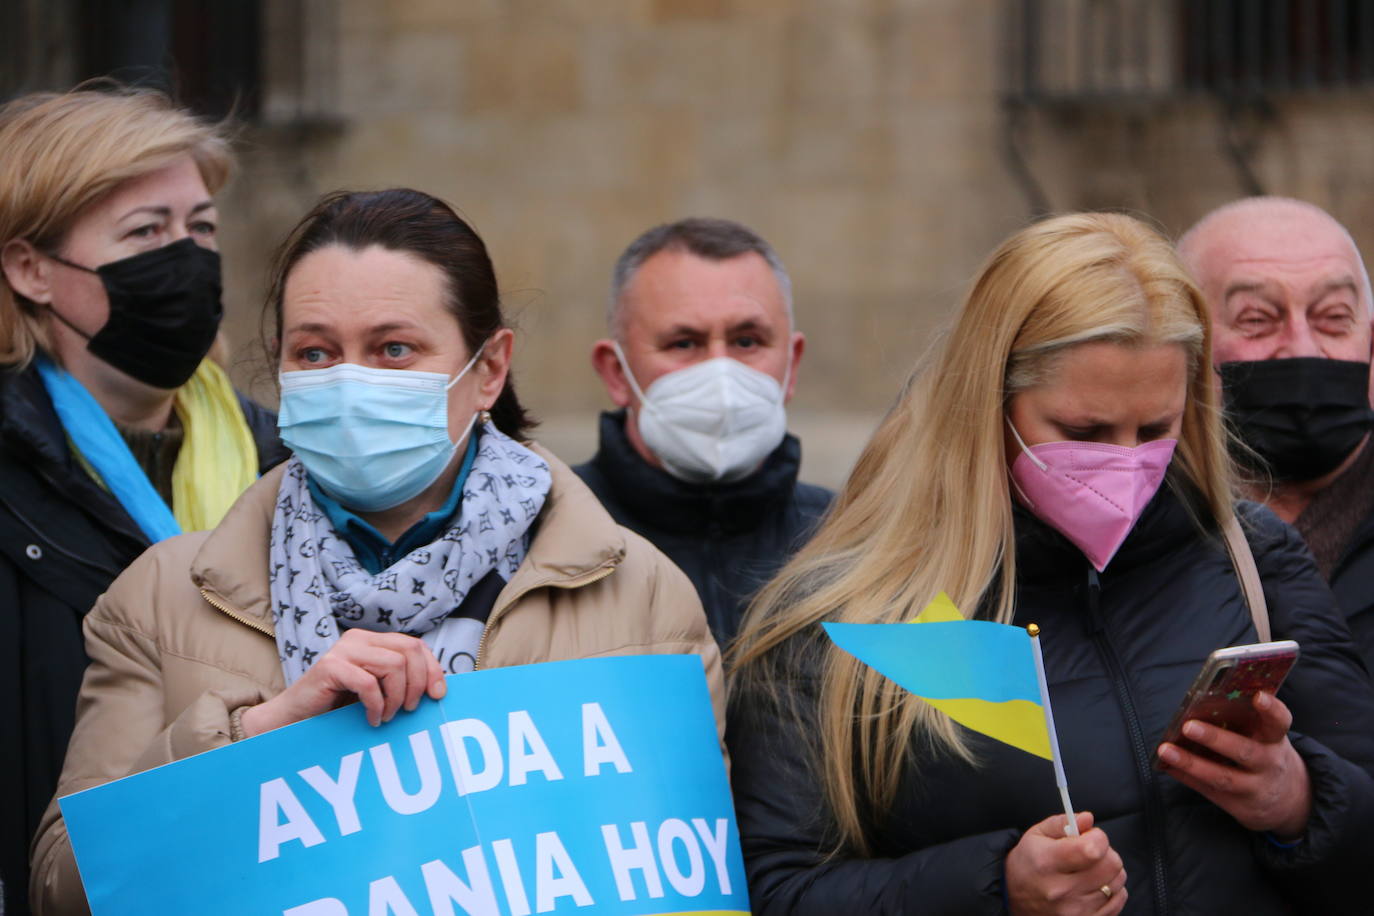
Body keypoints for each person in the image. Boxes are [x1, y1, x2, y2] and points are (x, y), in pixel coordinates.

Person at [29, 189, 723, 914]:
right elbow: (63, 889)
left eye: (394, 349)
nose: (350, 382)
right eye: (316, 352)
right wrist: (261, 736)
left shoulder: (638, 591)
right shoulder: (163, 598)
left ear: (489, 369)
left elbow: (681, 879)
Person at [728, 212, 1374, 914]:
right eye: (1084, 431)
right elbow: (780, 890)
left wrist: (1300, 801)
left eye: (1156, 428)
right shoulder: (847, 618)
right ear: (985, 404)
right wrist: (995, 889)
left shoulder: (1252, 558)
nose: (1126, 464)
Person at [0, 85, 286, 916]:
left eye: (200, 227)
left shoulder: (289, 461)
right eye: (146, 232)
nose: (187, 257)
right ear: (30, 270)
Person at [574, 218, 832, 646]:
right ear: (616, 372)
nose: (721, 372)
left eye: (746, 341)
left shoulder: (851, 540)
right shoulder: (545, 536)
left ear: (792, 363)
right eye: (684, 343)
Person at [1179, 197, 1374, 668]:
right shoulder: (1135, 528)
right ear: (1185, 347)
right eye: (1258, 319)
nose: (1301, 348)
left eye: (1332, 317)